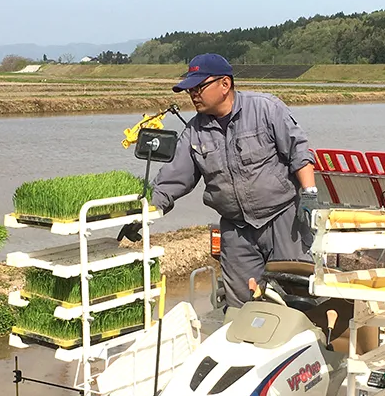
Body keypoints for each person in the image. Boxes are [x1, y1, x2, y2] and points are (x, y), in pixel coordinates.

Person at [124, 54, 319, 308]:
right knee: (242, 305)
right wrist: (143, 213)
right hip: (237, 229)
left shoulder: (265, 109)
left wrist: (309, 193)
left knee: (296, 295)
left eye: (199, 87)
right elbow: (173, 179)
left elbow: (299, 151)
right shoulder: (194, 131)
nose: (193, 94)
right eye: (189, 90)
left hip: (282, 219)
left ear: (225, 84)